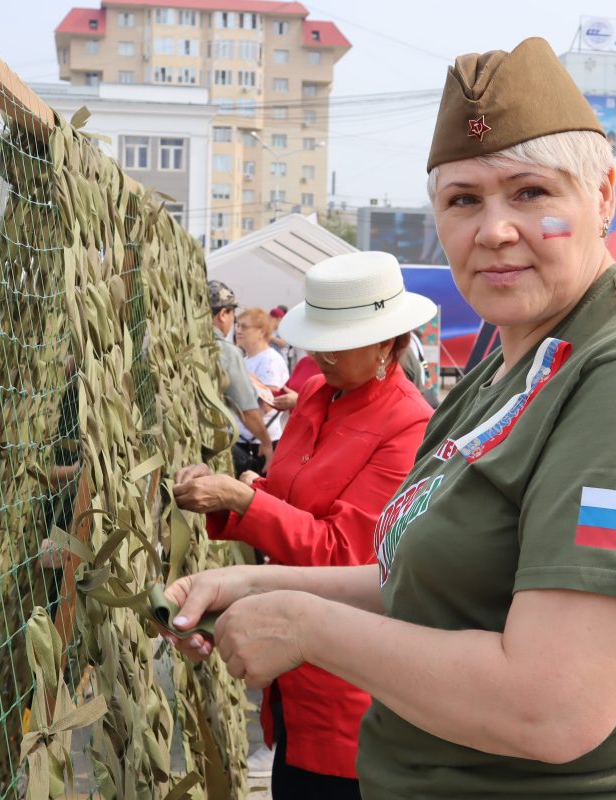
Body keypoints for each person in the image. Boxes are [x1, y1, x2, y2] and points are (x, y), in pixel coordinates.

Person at [163, 38, 616, 798]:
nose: (494, 229)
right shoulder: (514, 363)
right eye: (464, 200)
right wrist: (259, 588)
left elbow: (551, 707)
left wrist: (303, 626)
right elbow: (436, 582)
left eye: (532, 193)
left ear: (604, 197)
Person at [175, 252, 436, 795]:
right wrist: (228, 491)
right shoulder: (318, 394)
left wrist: (242, 503)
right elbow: (288, 494)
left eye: (338, 341)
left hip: (346, 678)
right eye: (319, 336)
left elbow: (346, 554)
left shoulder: (410, 426)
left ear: (390, 343)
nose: (321, 352)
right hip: (287, 665)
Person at [208, 281, 273, 472]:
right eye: (233, 316)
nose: (236, 327)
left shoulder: (176, 343)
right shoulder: (225, 351)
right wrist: (266, 443)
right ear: (222, 314)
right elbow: (247, 410)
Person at [233, 308, 290, 475]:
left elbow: (267, 404)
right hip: (244, 439)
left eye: (244, 327)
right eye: (237, 325)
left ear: (262, 332)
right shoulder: (246, 359)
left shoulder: (269, 360)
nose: (238, 330)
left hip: (259, 444)